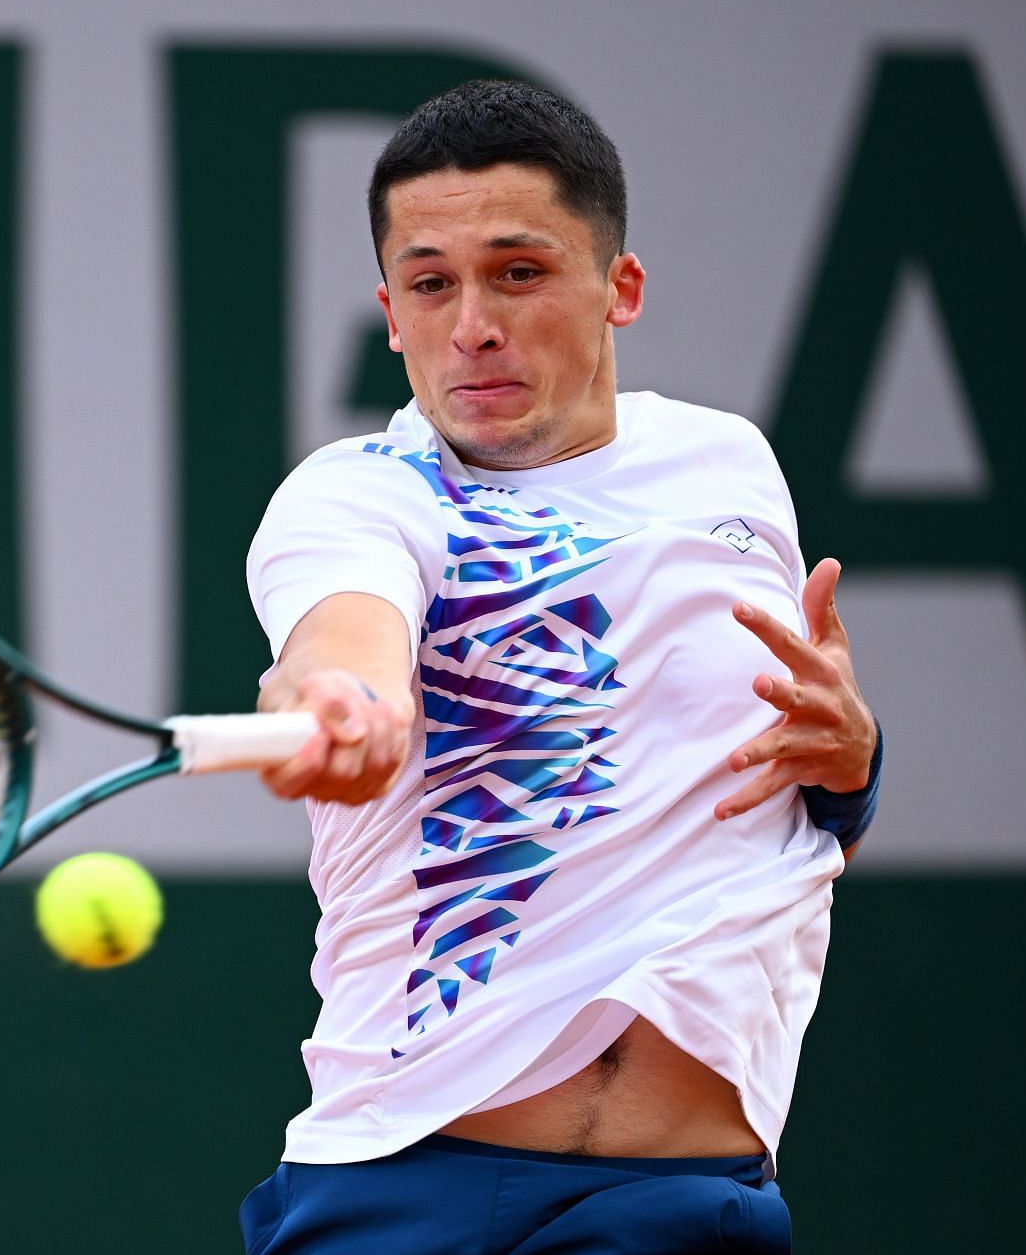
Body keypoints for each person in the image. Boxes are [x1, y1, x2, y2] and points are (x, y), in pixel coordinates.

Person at [239, 79, 882, 1255]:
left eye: (519, 272)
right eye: (431, 283)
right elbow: (343, 638)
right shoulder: (354, 496)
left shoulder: (730, 467)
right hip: (405, 1189)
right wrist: (345, 701)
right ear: (391, 312)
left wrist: (852, 763)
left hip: (686, 1204)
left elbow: (750, 804)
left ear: (619, 288)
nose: (472, 323)